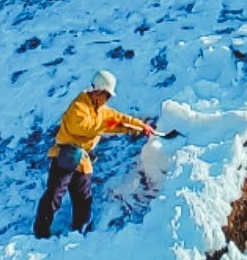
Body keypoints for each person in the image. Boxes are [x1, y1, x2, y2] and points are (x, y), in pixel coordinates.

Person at [33, 69, 157, 238]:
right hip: (65, 156)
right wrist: (107, 126)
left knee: (83, 197)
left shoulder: (101, 109)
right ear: (98, 91)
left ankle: (80, 231)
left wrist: (141, 126)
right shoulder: (78, 106)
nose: (108, 99)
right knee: (54, 195)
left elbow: (120, 119)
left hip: (82, 161)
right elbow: (83, 128)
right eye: (107, 95)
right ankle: (41, 232)